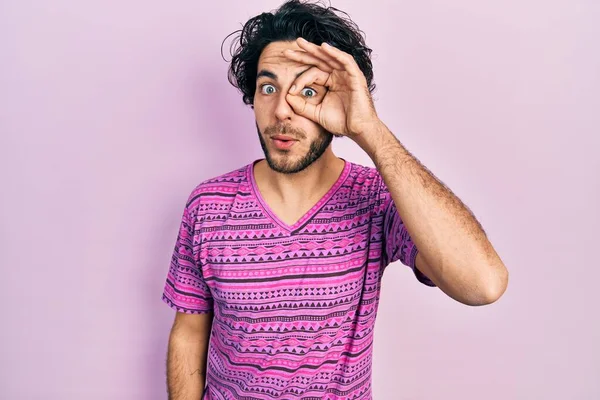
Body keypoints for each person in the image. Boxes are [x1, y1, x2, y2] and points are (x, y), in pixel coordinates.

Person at [161, 1, 508, 398]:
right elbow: (188, 334)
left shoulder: (376, 198)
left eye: (308, 91)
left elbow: (483, 285)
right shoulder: (208, 204)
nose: (282, 112)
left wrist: (370, 130)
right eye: (268, 87)